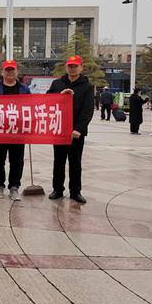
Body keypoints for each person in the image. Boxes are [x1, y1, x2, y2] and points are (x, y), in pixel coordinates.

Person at [47, 55, 94, 204]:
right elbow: (47, 100)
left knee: (75, 162)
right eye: (70, 66)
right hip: (59, 130)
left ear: (81, 68)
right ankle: (57, 189)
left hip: (76, 133)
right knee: (58, 161)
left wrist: (79, 128)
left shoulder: (87, 86)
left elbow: (88, 110)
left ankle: (75, 191)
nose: (72, 69)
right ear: (66, 67)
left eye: (75, 66)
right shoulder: (57, 83)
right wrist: (58, 96)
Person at [0, 59, 31, 201]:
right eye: (7, 70)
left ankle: (14, 186)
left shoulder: (25, 89)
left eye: (12, 70)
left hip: (18, 131)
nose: (10, 72)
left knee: (17, 160)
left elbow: (31, 108)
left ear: (17, 71)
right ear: (3, 72)